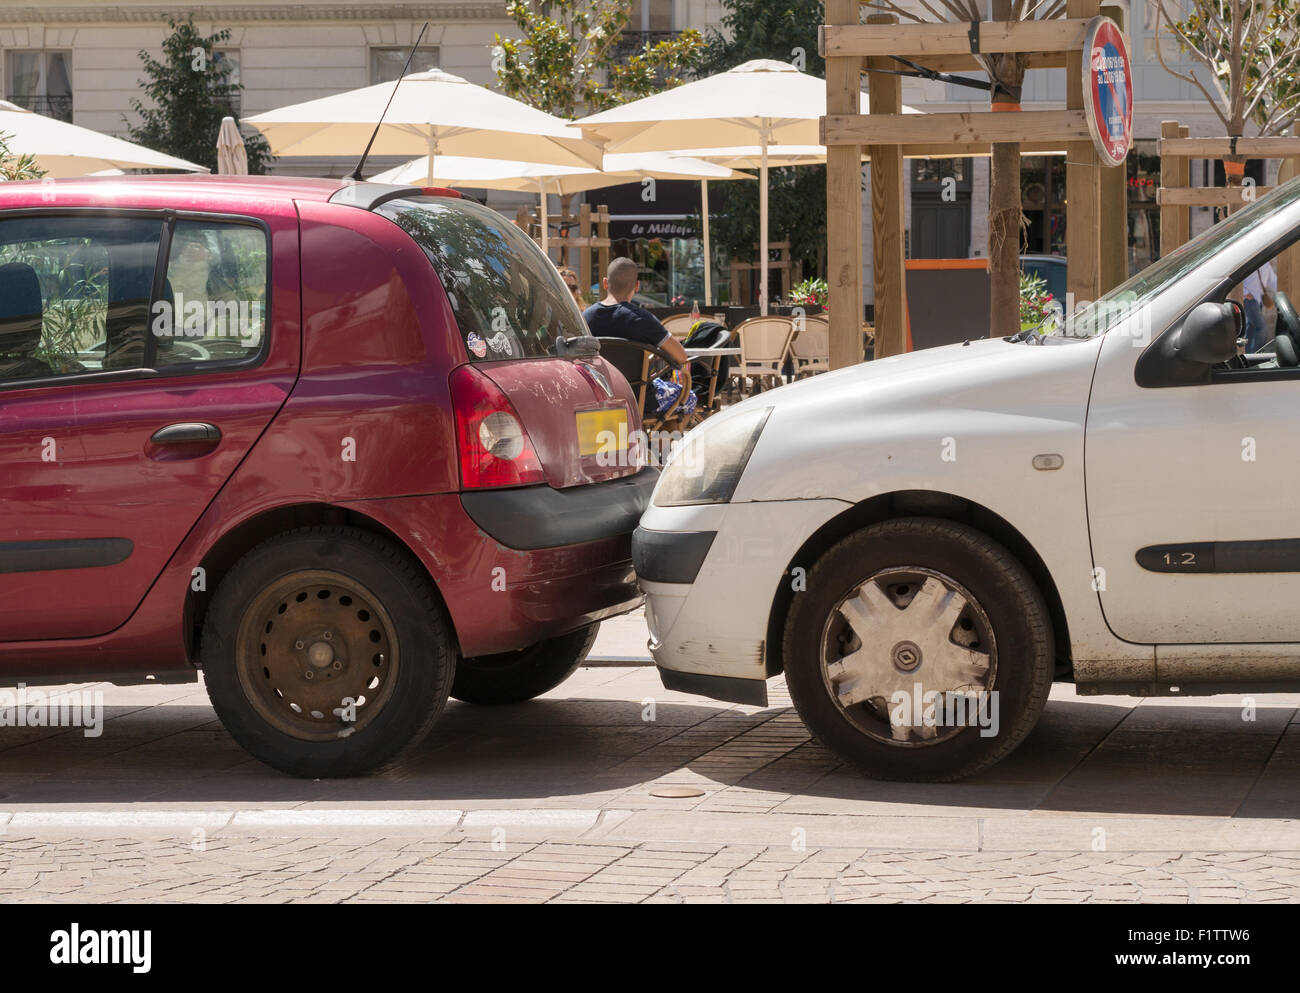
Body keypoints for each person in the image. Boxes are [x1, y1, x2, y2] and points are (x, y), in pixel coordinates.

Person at [583, 257, 695, 419]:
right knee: (689, 397)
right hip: (639, 398)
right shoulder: (641, 318)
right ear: (637, 286)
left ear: (605, 283)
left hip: (598, 396)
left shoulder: (585, 317)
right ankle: (664, 441)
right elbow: (681, 356)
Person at [1243, 260, 1277, 353]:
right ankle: (1258, 354)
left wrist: (1283, 292)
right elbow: (1237, 281)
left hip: (1259, 299)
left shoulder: (1266, 264)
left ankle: (1248, 354)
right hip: (1249, 300)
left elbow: (1273, 281)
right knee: (1262, 328)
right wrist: (1245, 293)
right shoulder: (1247, 263)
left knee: (1251, 327)